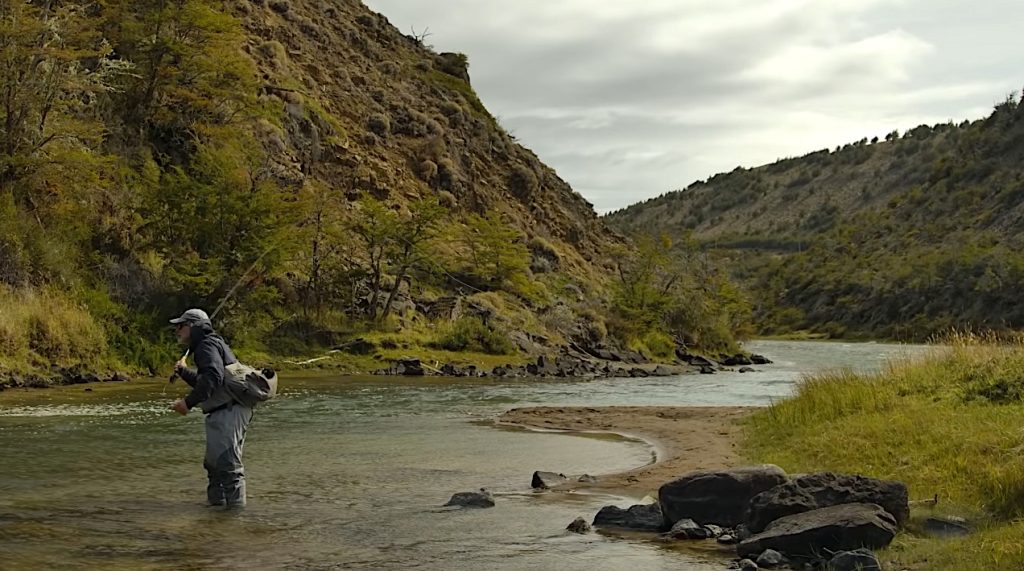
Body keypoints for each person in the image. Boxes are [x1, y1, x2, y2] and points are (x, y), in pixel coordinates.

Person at [169, 308, 254, 509]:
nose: (177, 330)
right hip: (227, 410)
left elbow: (213, 379)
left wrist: (187, 404)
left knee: (228, 467)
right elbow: (207, 381)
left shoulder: (206, 346)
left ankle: (235, 523)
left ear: (193, 326)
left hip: (229, 412)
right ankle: (216, 517)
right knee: (214, 466)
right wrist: (183, 372)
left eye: (180, 326)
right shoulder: (211, 344)